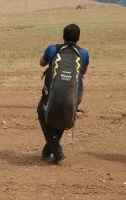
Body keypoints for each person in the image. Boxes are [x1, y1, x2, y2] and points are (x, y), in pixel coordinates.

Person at [37, 23, 90, 164]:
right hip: (72, 94)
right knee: (63, 116)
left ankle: (56, 151)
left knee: (42, 114)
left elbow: (42, 63)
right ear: (78, 38)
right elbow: (83, 71)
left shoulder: (53, 49)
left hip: (51, 92)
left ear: (63, 36)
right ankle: (49, 150)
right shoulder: (83, 53)